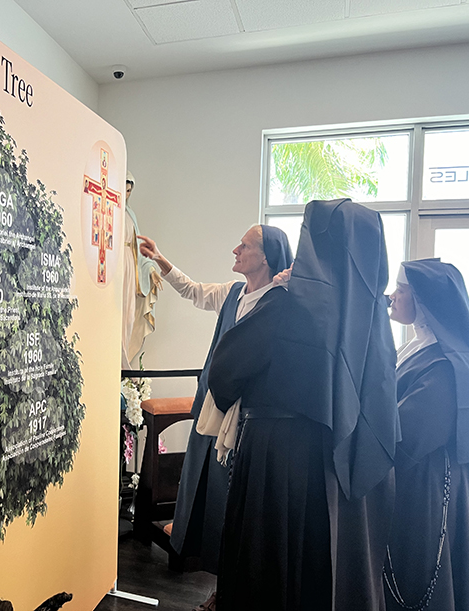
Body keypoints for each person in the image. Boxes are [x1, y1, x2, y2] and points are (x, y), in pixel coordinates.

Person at [208, 198, 399, 610]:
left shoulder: (288, 302)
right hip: (350, 473)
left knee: (272, 569)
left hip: (280, 460)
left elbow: (224, 369)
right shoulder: (373, 316)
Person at [138, 224, 292, 576]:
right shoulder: (233, 293)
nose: (235, 250)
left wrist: (294, 284)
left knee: (232, 504)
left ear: (266, 256)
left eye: (245, 246)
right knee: (204, 496)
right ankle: (214, 582)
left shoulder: (280, 302)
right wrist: (160, 259)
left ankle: (229, 588)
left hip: (246, 422)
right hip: (210, 411)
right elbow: (194, 291)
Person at [384, 259, 469, 611]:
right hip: (413, 476)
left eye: (401, 290)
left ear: (422, 300)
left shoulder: (445, 363)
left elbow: (411, 434)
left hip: (427, 485)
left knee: (417, 572)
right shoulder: (418, 346)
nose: (392, 297)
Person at [121, 171, 162, 368]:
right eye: (123, 190)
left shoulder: (130, 215)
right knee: (118, 313)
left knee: (129, 315)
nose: (126, 195)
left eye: (129, 191)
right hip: (116, 266)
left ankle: (124, 363)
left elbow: (137, 249)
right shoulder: (111, 213)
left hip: (130, 266)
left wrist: (151, 270)